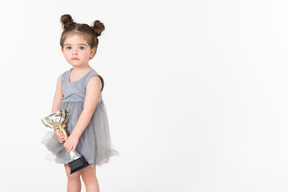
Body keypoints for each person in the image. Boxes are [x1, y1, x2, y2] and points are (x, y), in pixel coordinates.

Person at [42, 14, 118, 192]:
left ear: (92, 51)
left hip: (85, 133)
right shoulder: (62, 78)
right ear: (62, 51)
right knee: (71, 174)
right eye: (69, 47)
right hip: (67, 132)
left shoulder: (93, 79)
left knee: (88, 174)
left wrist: (76, 135)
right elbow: (56, 106)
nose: (74, 52)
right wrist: (58, 129)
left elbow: (88, 110)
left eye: (81, 47)